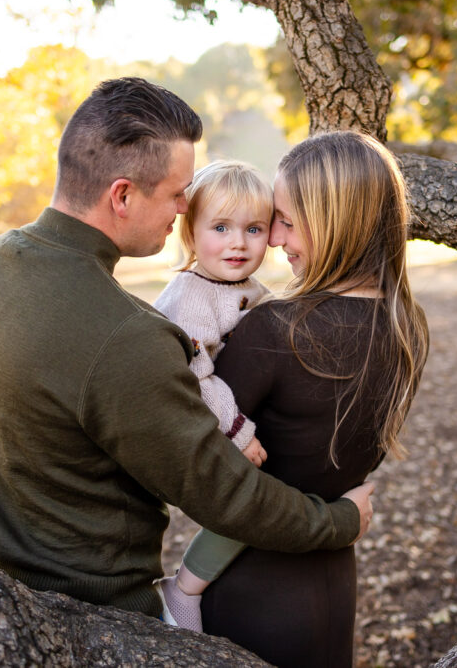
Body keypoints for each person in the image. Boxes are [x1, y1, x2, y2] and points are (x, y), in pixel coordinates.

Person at [0, 77, 375, 623]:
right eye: (176, 192)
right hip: (99, 616)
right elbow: (225, 494)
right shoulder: (125, 336)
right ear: (122, 195)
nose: (186, 206)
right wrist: (339, 523)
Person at [199, 131, 430, 667]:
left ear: (335, 222)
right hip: (333, 582)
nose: (275, 239)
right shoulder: (404, 327)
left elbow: (200, 464)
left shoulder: (277, 329)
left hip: (251, 585)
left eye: (287, 220)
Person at [152, 160, 273, 630]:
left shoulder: (242, 285)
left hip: (208, 414)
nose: (238, 242)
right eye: (220, 227)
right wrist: (239, 432)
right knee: (245, 497)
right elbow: (195, 377)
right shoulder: (191, 295)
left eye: (254, 228)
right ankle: (182, 590)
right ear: (191, 233)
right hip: (179, 417)